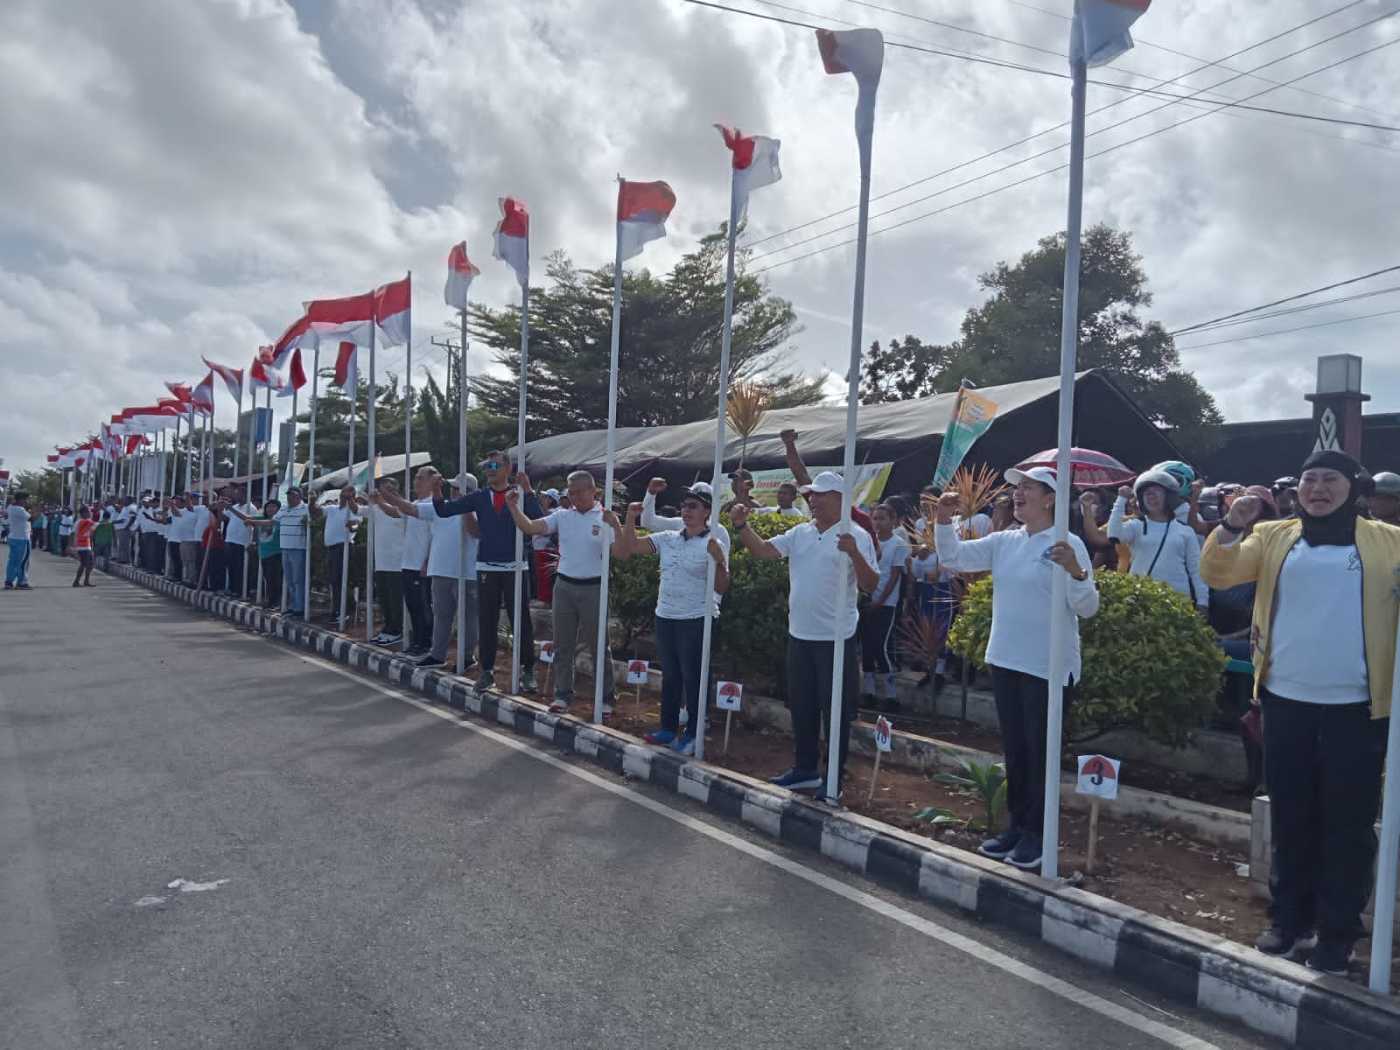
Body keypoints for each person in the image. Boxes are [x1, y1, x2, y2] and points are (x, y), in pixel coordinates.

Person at [1201, 450, 1398, 975]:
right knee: (1290, 814)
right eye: (1309, 479)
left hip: (1358, 707)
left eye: (1328, 479)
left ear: (1352, 488)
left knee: (1349, 824)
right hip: (1285, 699)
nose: (1316, 488)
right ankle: (1289, 920)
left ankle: (1337, 932)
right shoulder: (1273, 536)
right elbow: (1220, 573)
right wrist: (1230, 524)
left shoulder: (1389, 543)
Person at [934, 466, 1100, 870]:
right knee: (1017, 752)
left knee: (1041, 755)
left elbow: (1088, 607)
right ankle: (1016, 827)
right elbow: (953, 557)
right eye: (1018, 487)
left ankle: (1037, 838)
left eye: (1029, 487)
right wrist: (942, 520)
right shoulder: (1005, 541)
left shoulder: (1068, 542)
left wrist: (1076, 572)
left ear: (1050, 499)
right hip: (1006, 660)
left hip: (1048, 666)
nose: (1019, 493)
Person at [731, 470, 879, 793]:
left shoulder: (856, 535)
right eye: (811, 495)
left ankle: (834, 779)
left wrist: (854, 553)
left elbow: (870, 584)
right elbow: (763, 552)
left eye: (821, 495)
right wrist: (742, 527)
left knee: (835, 712)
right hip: (800, 636)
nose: (813, 500)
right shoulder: (801, 533)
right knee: (802, 706)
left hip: (836, 640)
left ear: (840, 500)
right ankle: (805, 768)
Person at [613, 481, 730, 754]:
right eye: (684, 506)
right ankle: (667, 728)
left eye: (693, 507)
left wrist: (720, 562)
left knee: (693, 677)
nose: (686, 511)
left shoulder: (715, 543)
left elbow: (722, 587)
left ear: (707, 512)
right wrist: (630, 518)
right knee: (671, 675)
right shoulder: (668, 538)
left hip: (696, 618)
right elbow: (630, 548)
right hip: (665, 615)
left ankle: (693, 732)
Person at [507, 470, 619, 714]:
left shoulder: (605, 518)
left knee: (599, 645)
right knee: (562, 644)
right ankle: (562, 694)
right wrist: (514, 508)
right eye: (572, 492)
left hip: (594, 587)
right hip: (565, 586)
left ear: (594, 492)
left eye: (581, 491)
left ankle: (606, 697)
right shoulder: (562, 516)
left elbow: (620, 553)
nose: (576, 497)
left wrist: (618, 526)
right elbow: (530, 527)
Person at [431, 451, 541, 692]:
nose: (489, 470)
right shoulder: (479, 497)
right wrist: (437, 491)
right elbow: (444, 510)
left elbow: (537, 520)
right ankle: (486, 671)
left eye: (494, 465)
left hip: (515, 566)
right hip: (486, 567)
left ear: (508, 468)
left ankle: (528, 670)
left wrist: (529, 490)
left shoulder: (519, 494)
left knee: (520, 620)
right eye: (486, 466)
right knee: (487, 620)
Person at [375, 472, 480, 670]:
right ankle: (437, 655)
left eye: (458, 488)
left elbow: (474, 531)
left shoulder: (478, 508)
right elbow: (412, 509)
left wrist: (467, 506)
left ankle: (467, 657)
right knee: (442, 616)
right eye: (454, 487)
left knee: (468, 618)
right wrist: (389, 497)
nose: (454, 490)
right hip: (440, 571)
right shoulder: (440, 507)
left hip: (465, 573)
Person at [1106, 469, 1208, 613]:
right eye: (1147, 494)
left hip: (1177, 601)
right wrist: (1121, 500)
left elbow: (1196, 569)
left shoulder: (1185, 531)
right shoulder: (1136, 526)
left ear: (1169, 497)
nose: (1151, 496)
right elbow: (1114, 534)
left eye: (1156, 491)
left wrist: (1203, 601)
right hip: (1140, 599)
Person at [232, 488, 310, 615]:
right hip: (285, 548)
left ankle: (299, 607)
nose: (290, 498)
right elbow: (271, 521)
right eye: (289, 495)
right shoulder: (284, 509)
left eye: (293, 495)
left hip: (298, 548)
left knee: (297, 579)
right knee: (290, 580)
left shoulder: (305, 508)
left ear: (299, 496)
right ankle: (293, 606)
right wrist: (253, 522)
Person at [861, 503, 909, 711]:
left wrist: (879, 601)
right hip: (866, 600)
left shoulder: (898, 544)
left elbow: (895, 576)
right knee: (867, 647)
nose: (878, 523)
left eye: (882, 518)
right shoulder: (868, 541)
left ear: (893, 520)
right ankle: (869, 692)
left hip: (885, 604)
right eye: (875, 518)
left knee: (881, 646)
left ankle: (891, 696)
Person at [366, 477, 406, 645]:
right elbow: (356, 510)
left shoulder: (403, 505)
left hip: (397, 562)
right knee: (384, 598)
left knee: (395, 599)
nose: (385, 490)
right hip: (381, 561)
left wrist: (380, 499)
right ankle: (388, 628)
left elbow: (392, 512)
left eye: (390, 487)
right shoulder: (376, 507)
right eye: (383, 487)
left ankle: (397, 630)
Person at [318, 485, 363, 626]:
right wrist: (313, 500)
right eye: (344, 493)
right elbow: (316, 512)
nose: (345, 496)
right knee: (334, 580)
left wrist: (352, 526)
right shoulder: (332, 509)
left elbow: (356, 525)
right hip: (332, 549)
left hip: (344, 547)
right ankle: (337, 610)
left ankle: (346, 610)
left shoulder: (355, 510)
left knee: (342, 580)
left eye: (349, 494)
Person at [222, 485, 255, 595]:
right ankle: (232, 588)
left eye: (238, 494)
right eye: (235, 494)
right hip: (230, 540)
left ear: (245, 494)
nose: (236, 496)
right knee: (230, 566)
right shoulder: (235, 506)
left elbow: (247, 518)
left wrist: (230, 508)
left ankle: (240, 590)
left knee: (240, 568)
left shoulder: (251, 507)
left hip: (242, 541)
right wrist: (218, 508)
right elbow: (224, 518)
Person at [5, 493, 32, 590]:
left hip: (14, 537)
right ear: (20, 499)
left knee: (12, 561)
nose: (27, 502)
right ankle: (22, 582)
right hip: (22, 538)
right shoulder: (20, 510)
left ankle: (9, 581)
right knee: (23, 561)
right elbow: (31, 517)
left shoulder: (10, 507)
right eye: (26, 499)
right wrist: (37, 509)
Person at [71, 505, 96, 587]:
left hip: (86, 545)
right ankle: (77, 581)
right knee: (85, 563)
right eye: (89, 511)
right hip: (83, 546)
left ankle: (85, 580)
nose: (90, 513)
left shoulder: (83, 521)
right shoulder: (83, 522)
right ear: (83, 513)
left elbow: (92, 532)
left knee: (89, 563)